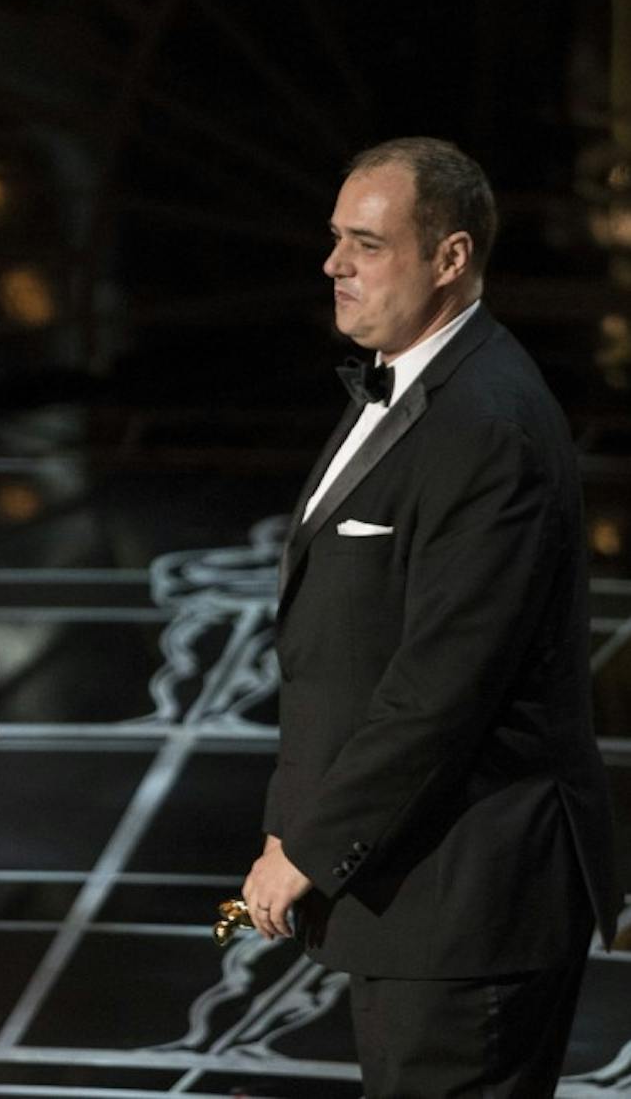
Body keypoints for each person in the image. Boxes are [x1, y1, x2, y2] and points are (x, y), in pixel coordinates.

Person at [244, 137, 619, 1096]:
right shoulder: (409, 381)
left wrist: (313, 845)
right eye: (335, 238)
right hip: (417, 893)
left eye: (366, 244)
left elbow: (441, 683)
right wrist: (292, 828)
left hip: (472, 897)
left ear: (450, 258)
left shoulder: (487, 422)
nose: (334, 264)